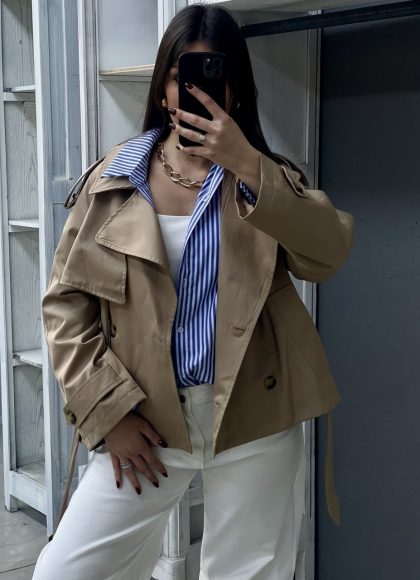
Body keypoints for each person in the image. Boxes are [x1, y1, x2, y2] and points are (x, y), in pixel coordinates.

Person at [33, 4, 354, 580]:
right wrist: (108, 412)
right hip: (144, 417)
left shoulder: (266, 180)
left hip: (254, 416)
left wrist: (248, 165)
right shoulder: (113, 182)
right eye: (182, 76)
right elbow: (66, 305)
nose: (195, 92)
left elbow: (328, 254)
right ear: (162, 88)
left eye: (213, 76)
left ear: (235, 90)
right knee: (66, 571)